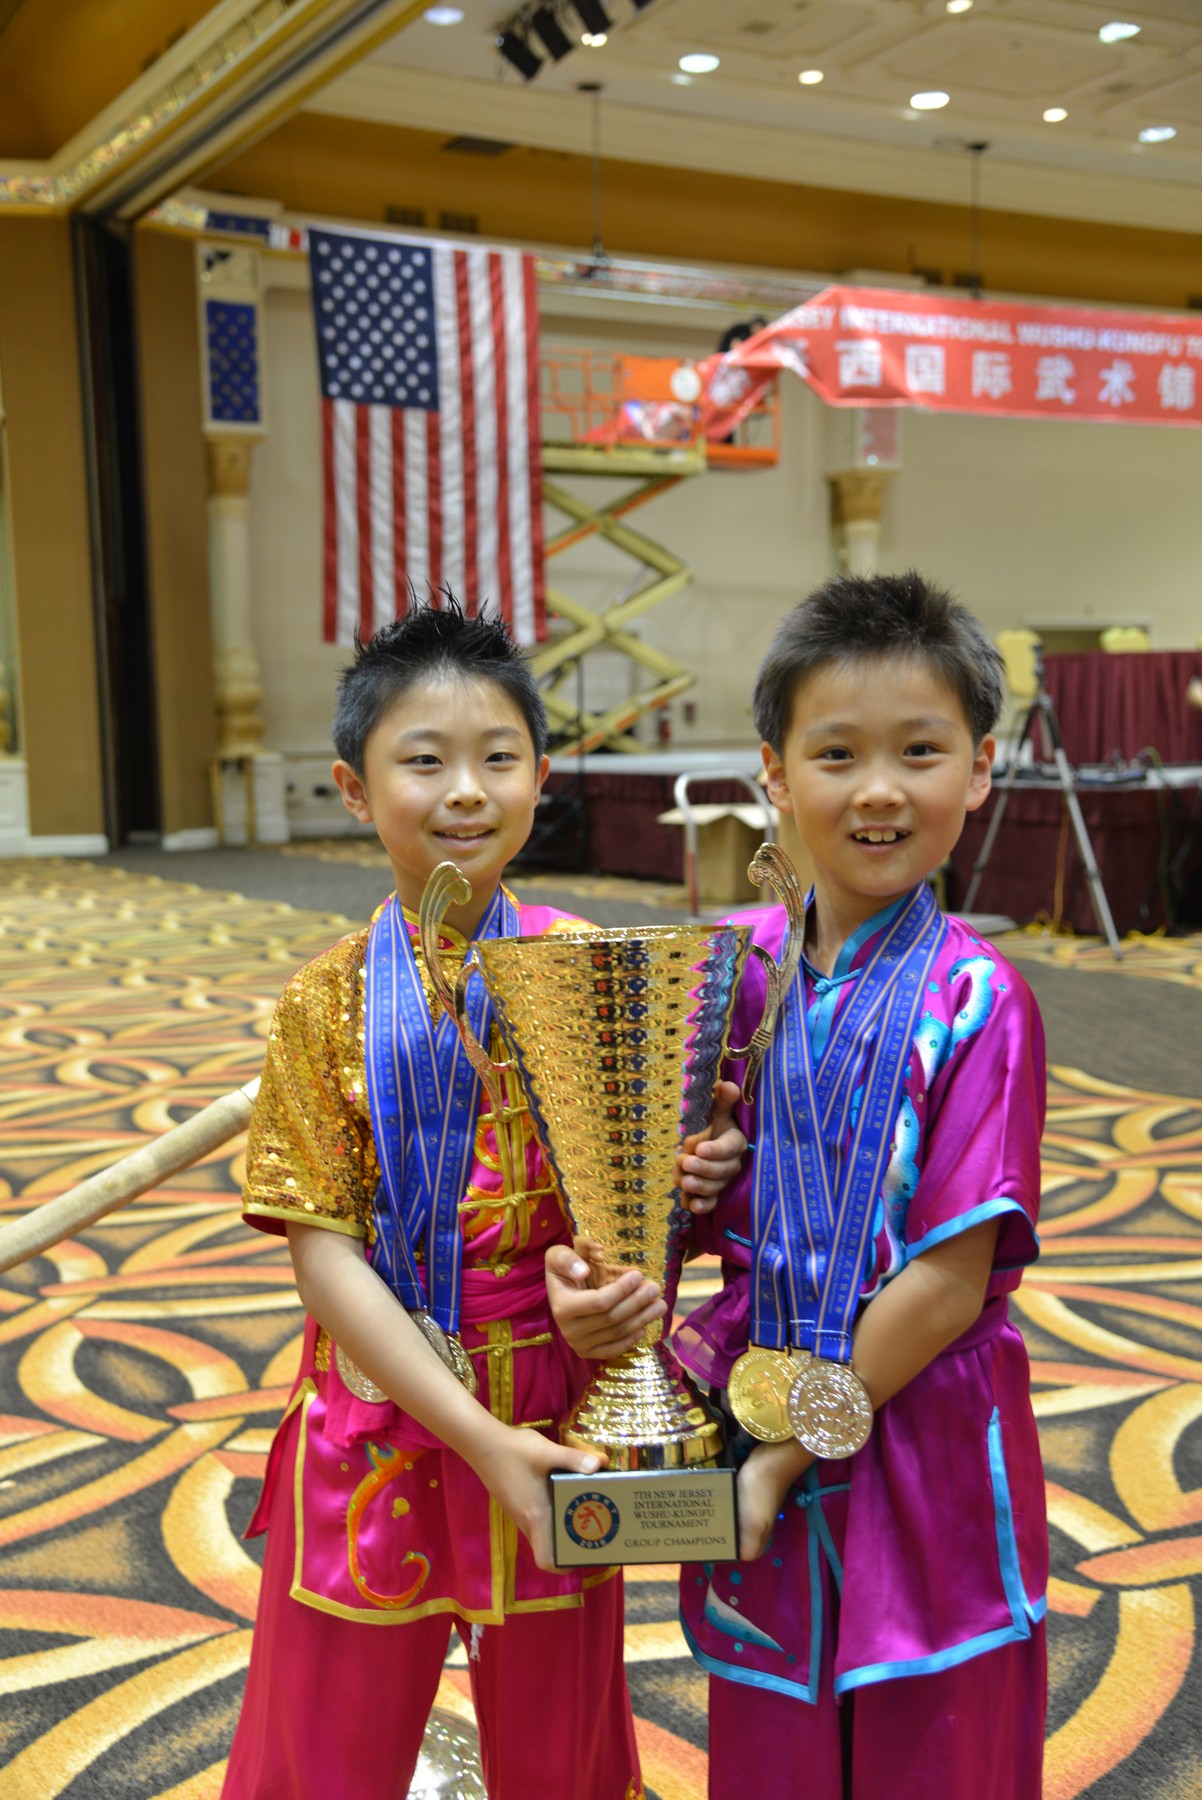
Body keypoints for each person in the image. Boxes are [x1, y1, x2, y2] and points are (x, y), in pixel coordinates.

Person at [222, 599, 745, 1800]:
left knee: (560, 1747)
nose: (465, 790)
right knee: (327, 1738)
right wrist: (476, 1438)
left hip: (555, 1410)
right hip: (381, 1412)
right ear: (355, 791)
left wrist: (665, 1222)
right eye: (424, 761)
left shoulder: (592, 968)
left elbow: (630, 1207)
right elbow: (322, 1258)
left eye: (498, 757)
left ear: (540, 778)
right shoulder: (325, 1003)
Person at [548, 572, 1049, 1800]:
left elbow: (949, 1281)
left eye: (918, 751)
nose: (877, 789)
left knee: (934, 1742)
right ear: (773, 774)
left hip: (917, 1429)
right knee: (772, 1748)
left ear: (979, 771)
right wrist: (624, 1258)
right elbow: (674, 1199)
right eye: (835, 754)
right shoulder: (734, 968)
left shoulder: (977, 1001)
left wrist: (778, 1457)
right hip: (752, 1394)